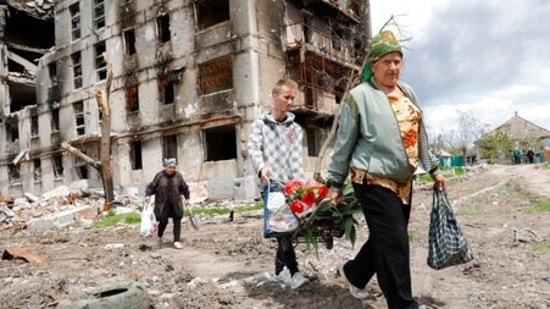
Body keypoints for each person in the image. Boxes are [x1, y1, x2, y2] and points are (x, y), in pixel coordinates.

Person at [325, 30, 446, 309]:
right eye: (386, 62)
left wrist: (435, 169)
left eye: (397, 61)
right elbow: (344, 143)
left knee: (388, 235)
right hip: (371, 177)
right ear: (373, 65)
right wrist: (334, 183)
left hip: (402, 179)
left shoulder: (408, 92)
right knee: (395, 242)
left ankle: (355, 273)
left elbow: (421, 133)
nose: (393, 67)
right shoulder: (359, 97)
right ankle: (403, 305)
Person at [247, 78, 308, 289]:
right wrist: (262, 168)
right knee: (282, 229)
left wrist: (300, 184)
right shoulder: (259, 126)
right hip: (270, 186)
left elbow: (296, 159)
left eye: (292, 98)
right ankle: (294, 272)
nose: (290, 101)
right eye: (286, 97)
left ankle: (280, 270)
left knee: (288, 229)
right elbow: (254, 150)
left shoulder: (295, 129)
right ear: (274, 96)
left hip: (290, 187)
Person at [145, 158, 190, 249]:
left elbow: (184, 188)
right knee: (163, 221)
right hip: (162, 204)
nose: (172, 169)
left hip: (175, 203)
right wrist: (148, 195)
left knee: (177, 220)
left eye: (173, 167)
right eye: (170, 167)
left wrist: (187, 198)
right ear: (166, 167)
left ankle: (176, 241)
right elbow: (152, 186)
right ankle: (159, 236)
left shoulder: (178, 176)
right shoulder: (159, 176)